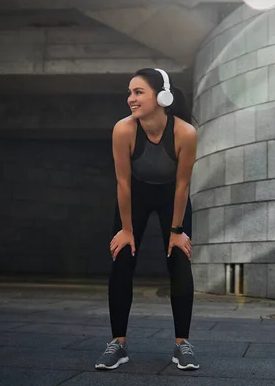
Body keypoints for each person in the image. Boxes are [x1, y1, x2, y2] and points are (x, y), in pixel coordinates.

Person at [94, 68, 199, 371]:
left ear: (161, 96)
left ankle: (183, 345)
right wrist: (126, 230)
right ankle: (118, 343)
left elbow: (182, 185)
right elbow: (123, 184)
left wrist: (177, 231)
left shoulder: (184, 133)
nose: (131, 99)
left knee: (179, 258)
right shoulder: (123, 130)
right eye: (129, 92)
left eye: (138, 92)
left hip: (171, 196)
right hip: (136, 194)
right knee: (122, 257)